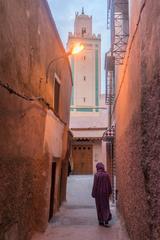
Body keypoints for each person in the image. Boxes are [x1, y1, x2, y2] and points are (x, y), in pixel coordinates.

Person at [92, 162, 112, 227]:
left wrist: (93, 193)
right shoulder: (106, 175)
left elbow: (95, 185)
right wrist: (109, 192)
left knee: (99, 207)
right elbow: (109, 184)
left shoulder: (96, 175)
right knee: (106, 206)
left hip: (98, 194)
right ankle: (106, 219)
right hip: (105, 194)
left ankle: (101, 221)